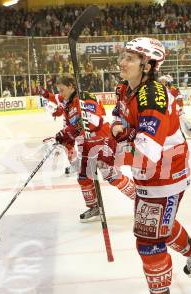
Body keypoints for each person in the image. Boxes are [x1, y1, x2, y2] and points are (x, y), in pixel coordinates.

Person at [113, 37, 191, 294]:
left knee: (148, 238)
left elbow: (148, 151)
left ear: (148, 66)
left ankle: (160, 293)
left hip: (164, 174)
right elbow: (119, 118)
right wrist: (112, 132)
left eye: (131, 58)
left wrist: (112, 152)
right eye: (124, 55)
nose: (123, 62)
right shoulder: (125, 88)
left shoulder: (152, 96)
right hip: (151, 173)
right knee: (160, 225)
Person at [51, 74, 136, 222]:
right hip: (85, 144)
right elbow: (70, 127)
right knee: (83, 177)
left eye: (62, 90)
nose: (60, 94)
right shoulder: (68, 104)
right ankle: (94, 206)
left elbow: (94, 121)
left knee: (111, 176)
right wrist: (64, 137)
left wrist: (70, 131)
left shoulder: (85, 97)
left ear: (71, 86)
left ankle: (139, 198)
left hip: (101, 140)